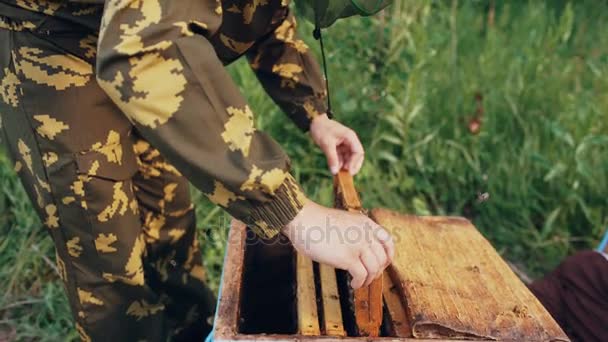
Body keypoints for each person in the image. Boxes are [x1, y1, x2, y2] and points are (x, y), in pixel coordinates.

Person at [0, 0, 394, 341]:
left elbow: (260, 12)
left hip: (141, 46)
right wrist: (292, 211)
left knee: (168, 229)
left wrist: (313, 111)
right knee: (110, 262)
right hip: (55, 42)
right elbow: (141, 50)